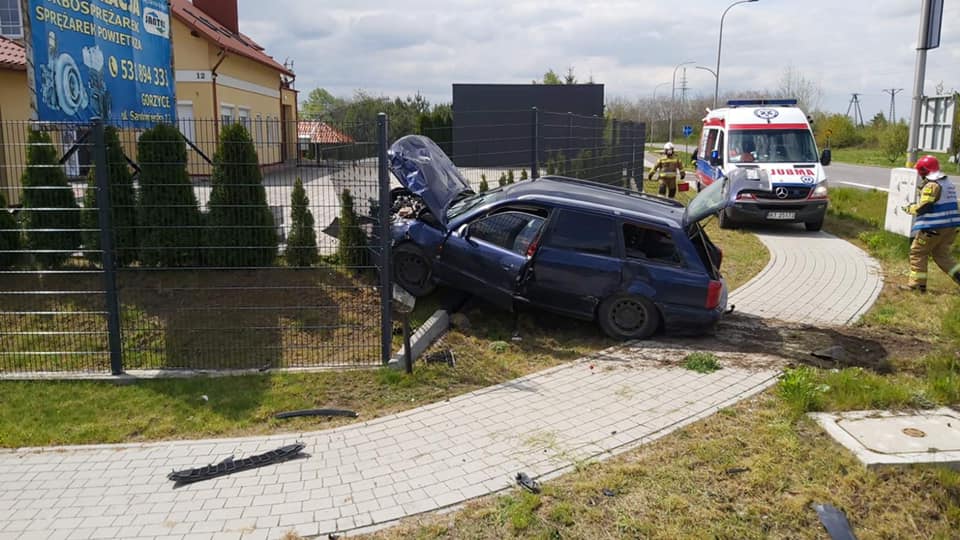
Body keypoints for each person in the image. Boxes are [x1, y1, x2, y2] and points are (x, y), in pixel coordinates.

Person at [901, 155, 960, 292]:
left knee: (918, 252)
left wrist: (911, 208)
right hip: (951, 227)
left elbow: (925, 206)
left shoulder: (932, 185)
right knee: (941, 254)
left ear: (924, 171)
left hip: (933, 227)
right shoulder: (947, 183)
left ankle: (917, 285)